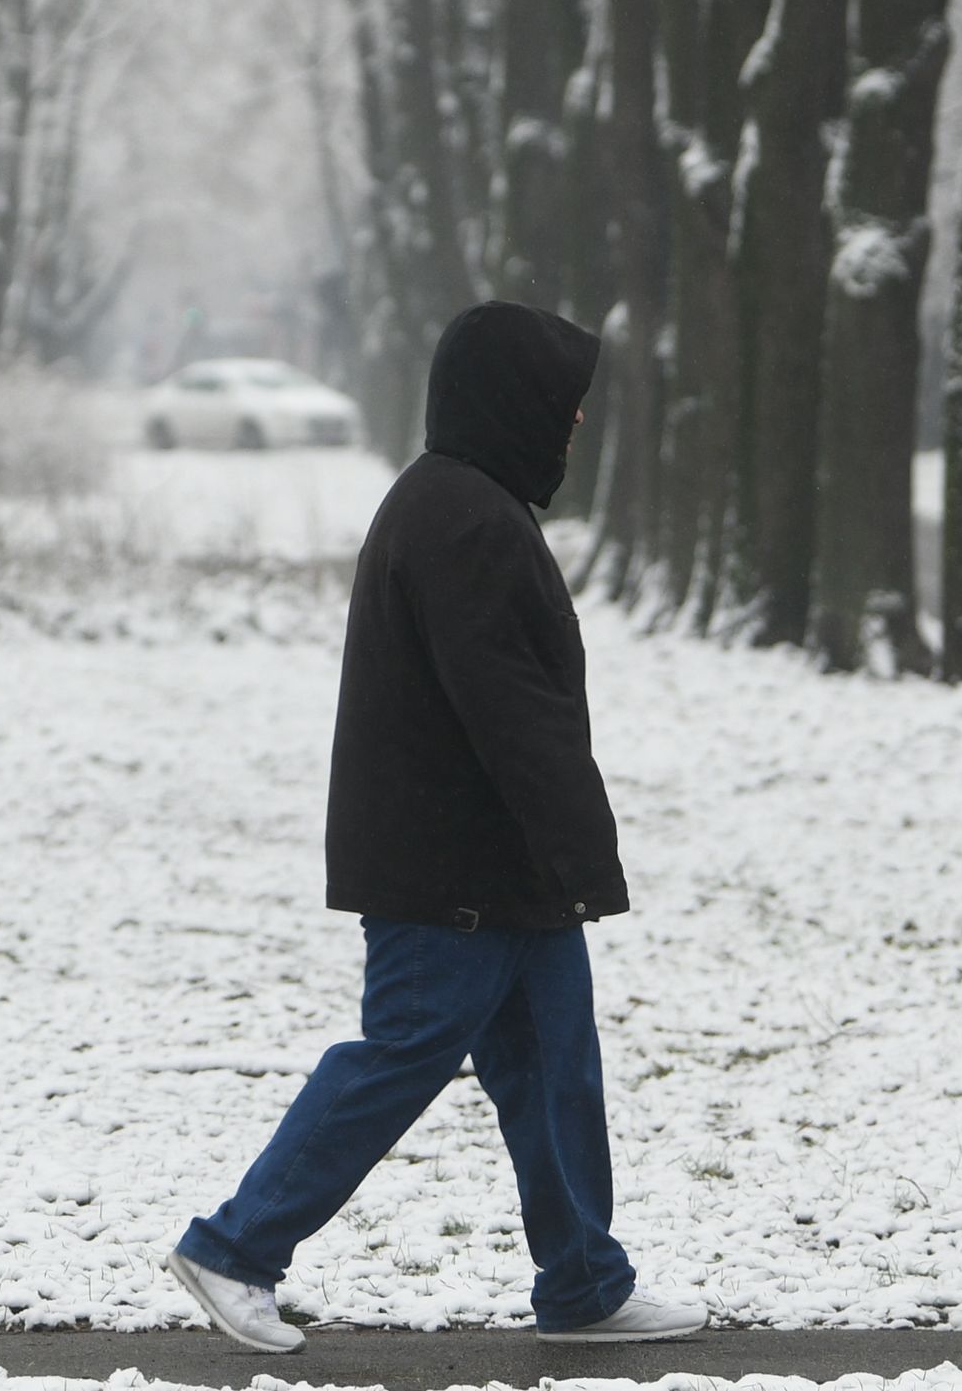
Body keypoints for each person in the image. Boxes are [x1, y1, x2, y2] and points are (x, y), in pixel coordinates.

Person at [164, 300, 706, 1351]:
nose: (576, 427)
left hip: (504, 872)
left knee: (555, 1072)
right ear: (515, 402)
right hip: (451, 872)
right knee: (400, 1055)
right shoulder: (462, 517)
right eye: (565, 406)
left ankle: (585, 1286)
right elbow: (511, 711)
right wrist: (583, 851)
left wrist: (561, 864)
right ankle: (233, 1249)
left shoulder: (466, 504)